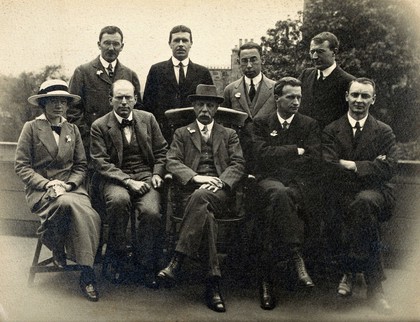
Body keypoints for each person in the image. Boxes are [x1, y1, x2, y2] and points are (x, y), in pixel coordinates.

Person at [157, 84, 245, 313]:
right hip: (192, 192)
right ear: (194, 107)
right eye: (200, 104)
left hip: (221, 192)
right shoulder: (182, 133)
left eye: (210, 105)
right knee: (205, 216)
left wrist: (221, 181)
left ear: (216, 108)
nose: (204, 109)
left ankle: (177, 258)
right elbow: (172, 161)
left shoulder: (229, 134)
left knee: (202, 198)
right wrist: (196, 177)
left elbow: (238, 164)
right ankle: (213, 285)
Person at [15, 79, 101, 302]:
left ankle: (59, 246)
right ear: (43, 104)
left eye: (62, 101)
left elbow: (81, 165)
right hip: (42, 191)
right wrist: (47, 184)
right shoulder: (31, 128)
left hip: (71, 188)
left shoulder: (72, 129)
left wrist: (69, 185)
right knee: (66, 204)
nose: (59, 106)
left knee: (89, 213)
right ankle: (87, 274)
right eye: (53, 101)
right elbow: (22, 166)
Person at [322, 78, 398, 314]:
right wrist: (369, 166)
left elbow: (389, 167)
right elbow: (329, 166)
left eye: (365, 96)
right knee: (363, 212)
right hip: (342, 194)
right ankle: (375, 288)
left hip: (378, 194)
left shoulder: (384, 131)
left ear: (373, 100)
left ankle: (349, 270)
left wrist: (352, 165)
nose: (359, 100)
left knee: (365, 202)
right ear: (347, 96)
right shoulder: (332, 130)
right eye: (355, 95)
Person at [251, 77, 321, 310]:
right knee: (279, 194)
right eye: (291, 96)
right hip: (267, 182)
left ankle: (266, 282)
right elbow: (259, 155)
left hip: (297, 185)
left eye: (299, 97)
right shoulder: (261, 123)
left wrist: (279, 154)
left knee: (278, 202)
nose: (296, 101)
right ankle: (295, 254)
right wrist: (295, 150)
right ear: (277, 98)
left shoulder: (309, 125)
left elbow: (313, 159)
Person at [90, 80, 168, 288]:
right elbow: (100, 161)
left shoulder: (148, 119)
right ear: (110, 100)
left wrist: (157, 173)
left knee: (151, 212)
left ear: (135, 99)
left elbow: (161, 151)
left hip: (145, 176)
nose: (124, 102)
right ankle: (117, 259)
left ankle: (145, 265)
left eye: (128, 97)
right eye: (119, 97)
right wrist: (126, 180)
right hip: (114, 178)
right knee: (118, 202)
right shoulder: (99, 126)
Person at [68, 26, 142, 155]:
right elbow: (73, 110)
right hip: (91, 144)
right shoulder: (83, 72)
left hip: (123, 146)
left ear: (122, 46)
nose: (111, 48)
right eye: (107, 43)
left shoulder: (130, 75)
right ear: (99, 44)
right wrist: (89, 137)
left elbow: (138, 111)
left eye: (116, 44)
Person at [143, 25, 214, 141]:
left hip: (194, 136)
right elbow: (147, 106)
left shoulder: (203, 73)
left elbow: (211, 106)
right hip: (163, 135)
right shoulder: (156, 71)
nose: (181, 44)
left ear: (191, 43)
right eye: (176, 40)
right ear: (170, 44)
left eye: (185, 40)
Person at [299, 32, 355, 130]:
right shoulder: (305, 75)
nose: (314, 57)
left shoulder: (348, 82)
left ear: (334, 52)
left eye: (320, 52)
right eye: (312, 52)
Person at [223, 42, 276, 121]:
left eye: (253, 60)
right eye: (244, 61)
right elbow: (225, 123)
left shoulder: (275, 88)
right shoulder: (230, 90)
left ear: (263, 60)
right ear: (238, 62)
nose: (249, 65)